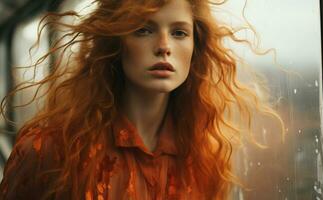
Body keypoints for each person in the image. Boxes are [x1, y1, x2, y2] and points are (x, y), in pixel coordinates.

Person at [0, 0, 283, 199]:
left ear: (196, 46)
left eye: (179, 33)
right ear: (116, 42)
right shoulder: (49, 148)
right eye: (144, 29)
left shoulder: (204, 159)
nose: (164, 47)